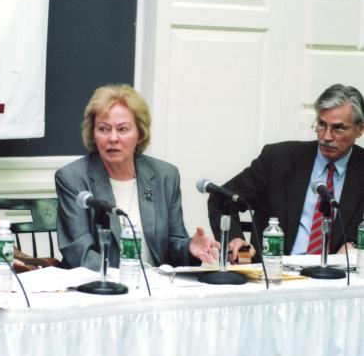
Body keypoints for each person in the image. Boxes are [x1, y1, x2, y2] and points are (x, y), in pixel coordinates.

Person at [55, 84, 219, 271]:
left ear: (140, 134)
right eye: (103, 129)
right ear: (93, 133)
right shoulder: (73, 178)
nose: (113, 138)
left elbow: (173, 244)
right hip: (101, 289)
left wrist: (189, 247)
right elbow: (80, 252)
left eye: (123, 129)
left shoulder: (165, 175)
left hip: (155, 288)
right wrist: (125, 279)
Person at [207, 83, 364, 263]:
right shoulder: (278, 160)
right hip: (274, 273)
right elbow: (221, 198)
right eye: (321, 125)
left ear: (359, 129)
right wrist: (236, 241)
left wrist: (355, 244)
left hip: (341, 279)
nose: (326, 136)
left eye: (338, 128)